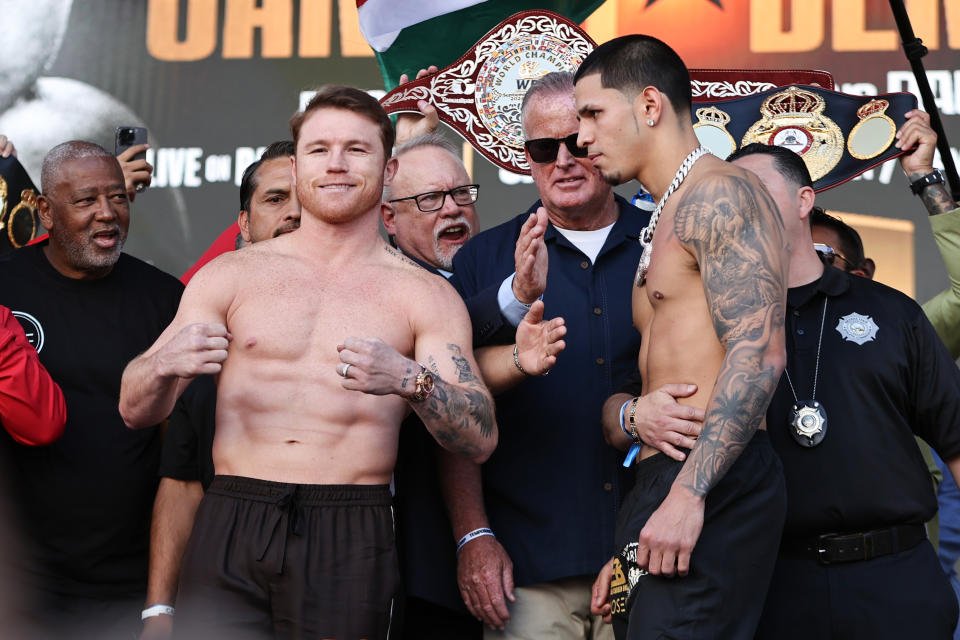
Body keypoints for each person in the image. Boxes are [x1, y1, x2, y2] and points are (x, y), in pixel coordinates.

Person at [119, 85, 498, 639]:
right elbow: (134, 409)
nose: (337, 165)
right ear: (296, 168)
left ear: (389, 169)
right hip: (233, 514)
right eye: (319, 150)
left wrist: (410, 380)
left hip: (350, 525)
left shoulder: (423, 296)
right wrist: (161, 365)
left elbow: (480, 435)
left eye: (357, 150)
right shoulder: (231, 276)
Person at [575, 35, 789, 639]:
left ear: (649, 105)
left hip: (711, 477)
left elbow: (759, 353)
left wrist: (689, 496)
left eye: (593, 114)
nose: (582, 137)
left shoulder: (720, 194)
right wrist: (628, 555)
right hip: (661, 484)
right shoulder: (664, 213)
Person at [723, 140, 960, 639]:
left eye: (757, 190)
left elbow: (956, 440)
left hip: (895, 580)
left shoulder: (893, 314)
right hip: (771, 585)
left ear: (804, 201)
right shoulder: (715, 322)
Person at [444, 70, 648, 639]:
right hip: (527, 564)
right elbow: (452, 414)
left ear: (601, 142)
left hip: (648, 555)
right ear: (524, 157)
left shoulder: (669, 240)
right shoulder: (485, 260)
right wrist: (472, 536)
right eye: (542, 148)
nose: (562, 161)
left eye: (576, 143)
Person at [384, 131, 566, 639]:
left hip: (534, 554)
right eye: (429, 199)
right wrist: (516, 295)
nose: (451, 210)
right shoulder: (385, 287)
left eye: (462, 194)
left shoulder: (506, 259)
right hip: (427, 569)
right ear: (388, 218)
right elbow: (449, 342)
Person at [0, 141, 184, 639]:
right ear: (43, 209)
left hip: (127, 586)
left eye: (118, 197)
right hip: (20, 583)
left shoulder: (165, 298)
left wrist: (159, 603)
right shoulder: (4, 288)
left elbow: (180, 457)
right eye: (85, 201)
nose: (107, 214)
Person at [140, 140, 300, 640]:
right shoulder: (206, 330)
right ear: (244, 225)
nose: (294, 213)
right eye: (275, 199)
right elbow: (182, 482)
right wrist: (159, 609)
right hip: (227, 567)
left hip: (342, 560)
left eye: (306, 199)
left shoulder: (380, 313)